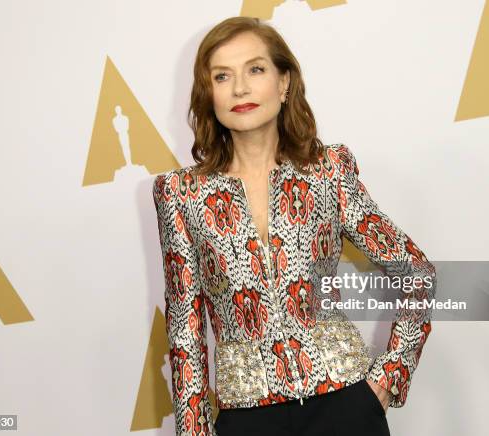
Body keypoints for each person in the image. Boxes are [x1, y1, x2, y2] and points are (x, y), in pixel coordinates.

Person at [153, 16, 436, 436]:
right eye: (222, 76)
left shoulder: (327, 172)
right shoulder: (180, 193)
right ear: (208, 92)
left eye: (256, 69)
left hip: (345, 405)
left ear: (284, 83)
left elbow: (417, 273)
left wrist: (389, 376)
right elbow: (184, 329)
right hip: (247, 417)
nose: (240, 88)